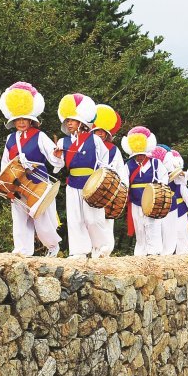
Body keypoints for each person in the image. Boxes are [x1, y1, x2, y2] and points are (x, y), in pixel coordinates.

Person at [0, 82, 61, 256]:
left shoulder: (40, 136)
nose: (21, 122)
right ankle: (22, 250)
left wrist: (57, 154)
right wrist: (6, 185)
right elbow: (5, 163)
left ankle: (53, 246)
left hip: (38, 181)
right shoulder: (10, 139)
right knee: (19, 218)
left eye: (25, 119)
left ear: (31, 120)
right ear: (14, 120)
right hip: (17, 183)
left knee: (41, 217)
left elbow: (53, 156)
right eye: (18, 119)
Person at [52, 93, 110, 259]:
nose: (69, 123)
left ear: (81, 122)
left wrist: (102, 181)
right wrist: (56, 157)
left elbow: (104, 162)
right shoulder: (63, 142)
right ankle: (79, 251)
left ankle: (101, 247)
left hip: (92, 183)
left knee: (93, 219)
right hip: (72, 183)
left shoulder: (95, 140)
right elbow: (58, 166)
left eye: (72, 120)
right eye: (67, 120)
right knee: (75, 219)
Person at [122, 126, 166, 255]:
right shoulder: (129, 165)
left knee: (153, 224)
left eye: (141, 155)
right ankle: (140, 251)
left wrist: (159, 191)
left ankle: (155, 250)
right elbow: (124, 181)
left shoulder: (156, 163)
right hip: (135, 199)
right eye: (137, 155)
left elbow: (164, 178)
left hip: (152, 198)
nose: (139, 157)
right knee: (139, 226)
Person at [91, 104, 124, 257]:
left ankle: (106, 249)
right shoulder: (89, 147)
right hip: (91, 188)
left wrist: (119, 189)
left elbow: (120, 170)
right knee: (91, 220)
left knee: (107, 219)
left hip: (109, 188)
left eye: (102, 132)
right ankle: (94, 248)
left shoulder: (113, 150)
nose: (99, 135)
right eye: (96, 131)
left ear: (106, 134)